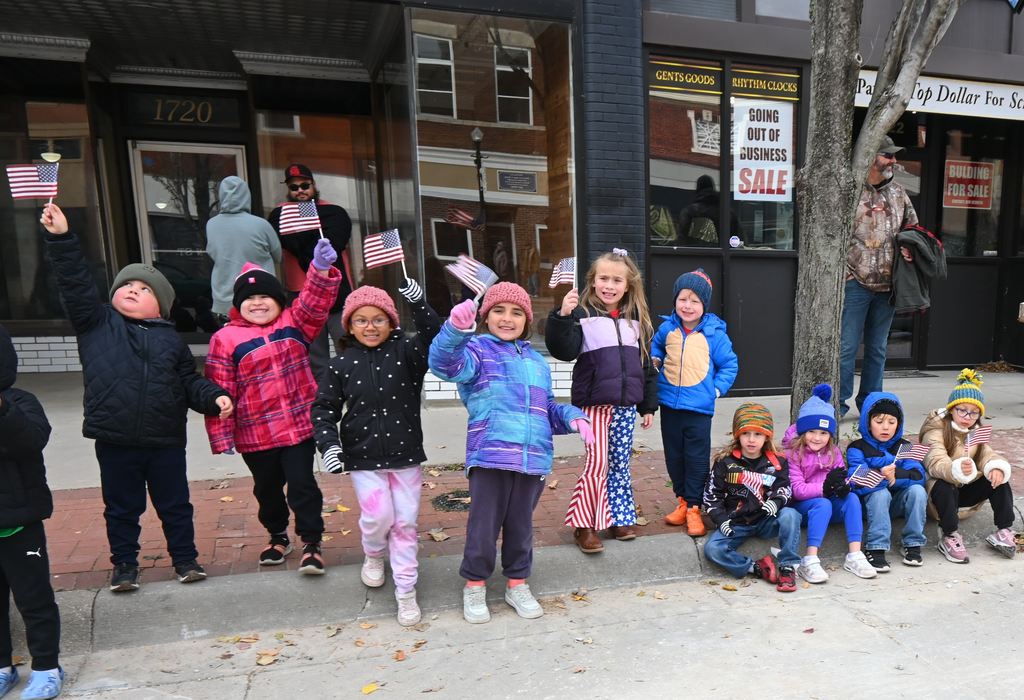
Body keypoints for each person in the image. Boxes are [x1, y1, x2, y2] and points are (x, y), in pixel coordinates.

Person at [41, 203, 232, 593]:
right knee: (122, 508)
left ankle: (185, 559)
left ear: (161, 306)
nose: (133, 290)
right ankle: (125, 565)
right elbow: (75, 282)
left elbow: (189, 383)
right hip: (116, 439)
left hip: (163, 441)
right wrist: (61, 238)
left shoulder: (171, 341)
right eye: (127, 285)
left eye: (144, 289)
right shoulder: (97, 324)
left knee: (175, 506)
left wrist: (214, 397)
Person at [428, 283, 592, 624]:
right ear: (486, 317)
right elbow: (444, 364)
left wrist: (573, 417)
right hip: (490, 455)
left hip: (532, 460)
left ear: (527, 320)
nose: (507, 318)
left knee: (521, 527)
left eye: (517, 312)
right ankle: (474, 584)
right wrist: (455, 331)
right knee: (483, 528)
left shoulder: (537, 362)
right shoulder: (475, 352)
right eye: (499, 311)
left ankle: (516, 583)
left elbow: (546, 408)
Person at [204, 241, 341, 576]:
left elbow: (315, 301)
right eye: (249, 298)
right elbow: (219, 389)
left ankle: (311, 541)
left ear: (279, 300)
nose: (258, 302)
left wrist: (320, 270)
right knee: (267, 489)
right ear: (238, 305)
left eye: (265, 296)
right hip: (255, 433)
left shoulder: (295, 323)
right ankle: (278, 535)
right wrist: (221, 435)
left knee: (302, 484)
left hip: (298, 426)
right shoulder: (226, 339)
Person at [310, 280, 440, 627]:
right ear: (349, 326)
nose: (370, 326)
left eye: (379, 319)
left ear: (391, 322)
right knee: (378, 517)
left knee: (405, 525)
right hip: (362, 457)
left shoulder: (408, 355)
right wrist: (330, 446)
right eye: (361, 320)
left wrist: (419, 303)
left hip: (405, 457)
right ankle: (372, 553)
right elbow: (323, 409)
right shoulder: (340, 365)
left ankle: (406, 592)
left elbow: (434, 338)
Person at [545, 249, 658, 554]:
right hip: (594, 404)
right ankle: (584, 525)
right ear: (592, 282)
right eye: (603, 278)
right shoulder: (582, 315)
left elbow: (646, 365)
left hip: (625, 406)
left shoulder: (637, 320)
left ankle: (619, 518)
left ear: (628, 284)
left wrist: (647, 405)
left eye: (616, 280)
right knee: (597, 463)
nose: (609, 285)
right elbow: (563, 350)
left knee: (620, 463)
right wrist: (562, 317)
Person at [0, 327, 63, 700]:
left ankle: (46, 666)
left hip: (19, 523)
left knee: (34, 598)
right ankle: (3, 666)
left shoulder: (21, 402)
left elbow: (30, 439)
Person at [651, 268, 738, 536]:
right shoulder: (667, 328)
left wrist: (716, 390)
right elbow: (655, 348)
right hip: (669, 405)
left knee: (696, 459)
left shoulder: (715, 334)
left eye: (695, 301)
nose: (687, 306)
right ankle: (682, 501)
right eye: (683, 299)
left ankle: (695, 508)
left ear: (704, 305)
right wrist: (655, 360)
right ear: (675, 300)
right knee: (674, 456)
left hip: (698, 409)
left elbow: (729, 365)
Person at [839, 136, 918, 418]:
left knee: (877, 348)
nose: (893, 161)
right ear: (871, 156)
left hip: (887, 286)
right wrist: (846, 274)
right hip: (855, 284)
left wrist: (909, 247)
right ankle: (838, 403)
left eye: (894, 156)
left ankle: (871, 404)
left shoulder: (898, 193)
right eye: (888, 155)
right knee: (846, 347)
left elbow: (913, 228)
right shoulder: (850, 191)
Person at [268, 164, 353, 383]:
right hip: (303, 293)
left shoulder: (334, 212)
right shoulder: (281, 214)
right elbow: (289, 243)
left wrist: (307, 241)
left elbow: (334, 244)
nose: (300, 191)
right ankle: (326, 396)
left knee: (349, 347)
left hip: (337, 291)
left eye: (305, 185)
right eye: (294, 187)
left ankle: (353, 390)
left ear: (314, 185)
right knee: (315, 355)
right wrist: (314, 248)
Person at [919, 369, 1016, 562]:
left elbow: (986, 454)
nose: (967, 416)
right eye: (962, 410)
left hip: (965, 491)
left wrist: (994, 466)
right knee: (944, 485)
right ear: (951, 409)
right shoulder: (936, 430)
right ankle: (949, 535)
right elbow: (936, 461)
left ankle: (1004, 530)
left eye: (973, 413)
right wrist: (956, 469)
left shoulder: (975, 432)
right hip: (940, 497)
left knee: (998, 478)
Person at [702, 403, 801, 593]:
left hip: (766, 520)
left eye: (758, 434)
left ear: (767, 436)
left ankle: (787, 566)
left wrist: (777, 501)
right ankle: (755, 567)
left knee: (791, 514)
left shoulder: (777, 462)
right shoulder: (725, 461)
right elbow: (711, 495)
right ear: (737, 435)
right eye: (746, 433)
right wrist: (721, 519)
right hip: (736, 523)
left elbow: (785, 488)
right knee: (713, 549)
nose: (751, 440)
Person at [782, 384, 876, 582]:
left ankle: (854, 555)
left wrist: (844, 486)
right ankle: (810, 559)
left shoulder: (832, 452)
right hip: (803, 509)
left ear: (830, 435)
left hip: (826, 505)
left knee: (851, 498)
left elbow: (841, 477)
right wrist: (825, 488)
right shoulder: (792, 453)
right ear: (802, 431)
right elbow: (796, 490)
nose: (817, 438)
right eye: (812, 432)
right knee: (823, 502)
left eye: (823, 433)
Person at [845, 391, 928, 572]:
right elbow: (855, 478)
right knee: (880, 493)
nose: (886, 428)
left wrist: (895, 475)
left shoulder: (904, 446)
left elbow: (918, 475)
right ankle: (876, 546)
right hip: (870, 507)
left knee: (917, 491)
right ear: (868, 422)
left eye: (892, 422)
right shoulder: (857, 448)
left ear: (898, 424)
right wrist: (882, 476)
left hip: (896, 505)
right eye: (879, 421)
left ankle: (913, 542)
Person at [207, 175, 281, 325]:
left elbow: (213, 253)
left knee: (231, 345)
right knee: (263, 345)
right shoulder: (261, 224)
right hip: (260, 299)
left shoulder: (211, 225)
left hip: (225, 299)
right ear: (246, 195)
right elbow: (278, 256)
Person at [676, 175, 740, 247]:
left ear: (697, 189)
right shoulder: (727, 212)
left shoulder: (689, 212)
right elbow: (736, 240)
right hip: (722, 256)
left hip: (695, 255)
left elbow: (682, 240)